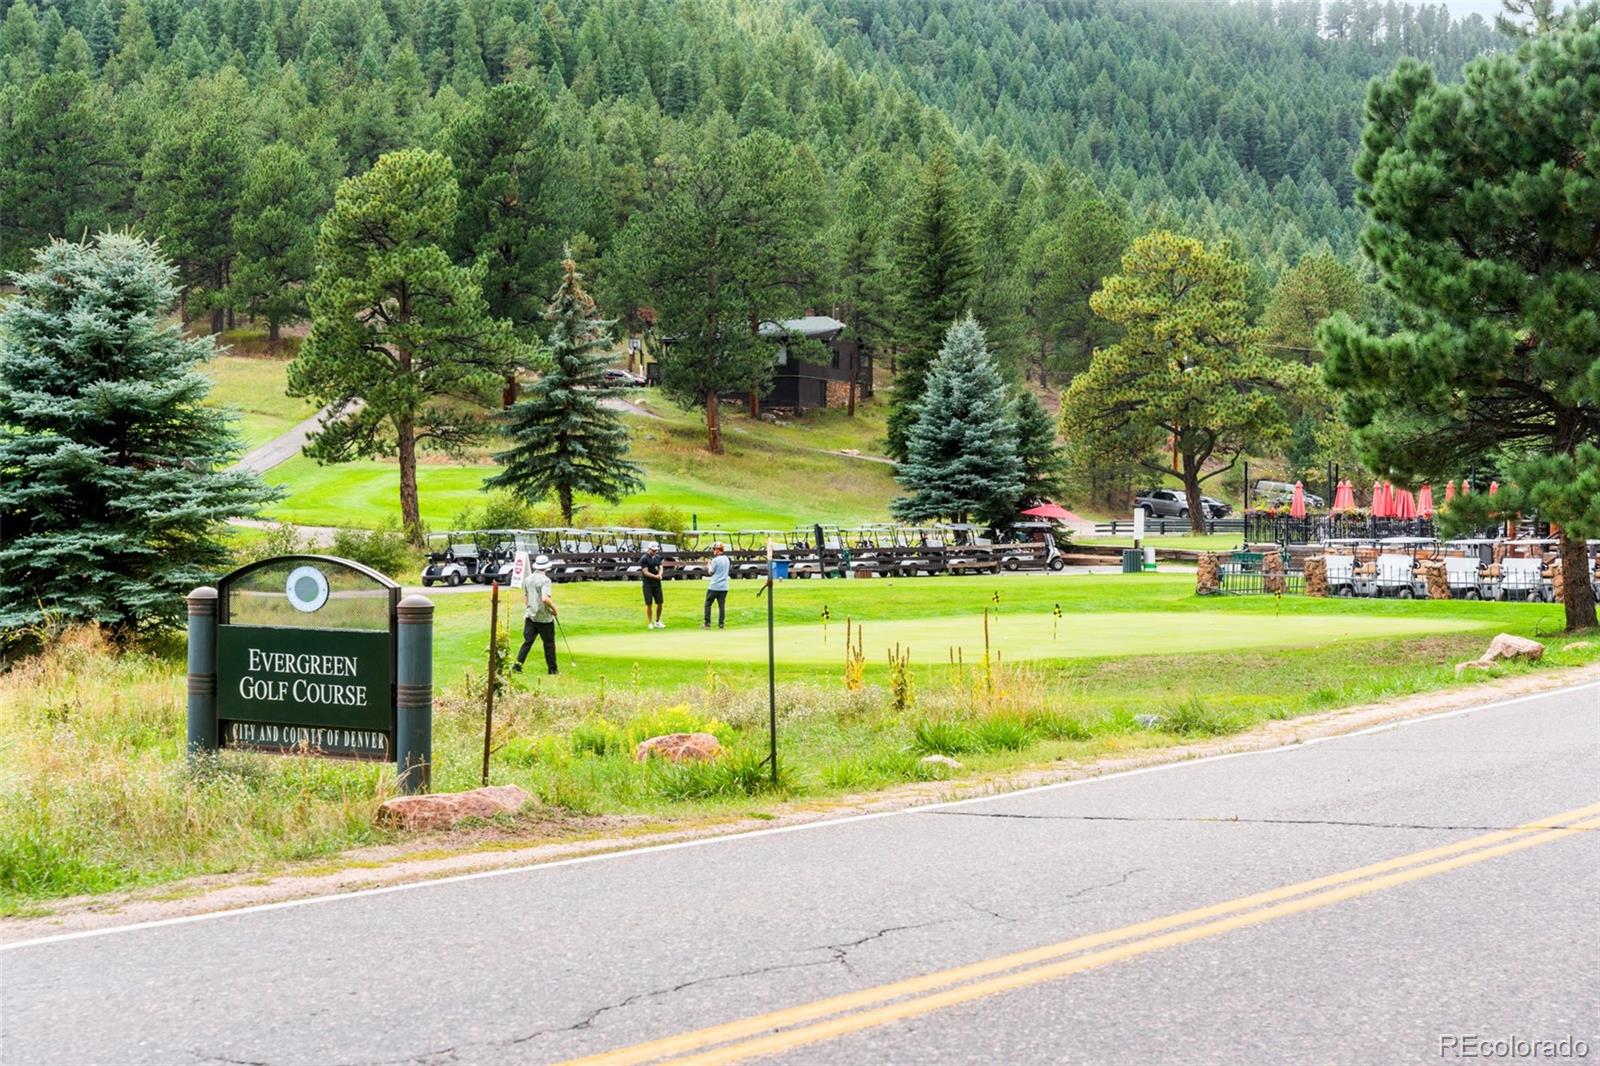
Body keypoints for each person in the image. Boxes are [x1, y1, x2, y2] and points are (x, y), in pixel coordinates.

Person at [513, 554, 558, 675]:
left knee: (527, 642)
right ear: (547, 567)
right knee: (549, 644)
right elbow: (545, 599)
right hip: (544, 618)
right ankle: (552, 670)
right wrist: (554, 608)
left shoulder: (528, 579)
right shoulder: (546, 580)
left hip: (530, 616)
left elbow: (526, 598)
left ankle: (517, 666)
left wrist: (529, 609)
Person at [702, 542, 730, 629]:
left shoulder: (715, 560)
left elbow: (710, 572)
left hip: (714, 586)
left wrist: (708, 565)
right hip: (724, 586)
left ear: (718, 550)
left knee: (708, 604)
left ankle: (707, 623)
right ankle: (721, 624)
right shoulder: (727, 559)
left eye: (714, 549)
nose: (713, 551)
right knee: (721, 606)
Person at [640, 541, 665, 629]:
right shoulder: (644, 559)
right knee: (649, 603)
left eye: (656, 550)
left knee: (660, 602)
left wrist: (660, 574)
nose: (654, 552)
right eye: (653, 550)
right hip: (648, 584)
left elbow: (661, 566)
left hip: (657, 584)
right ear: (649, 549)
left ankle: (658, 621)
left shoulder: (658, 557)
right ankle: (650, 622)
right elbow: (645, 572)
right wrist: (656, 576)